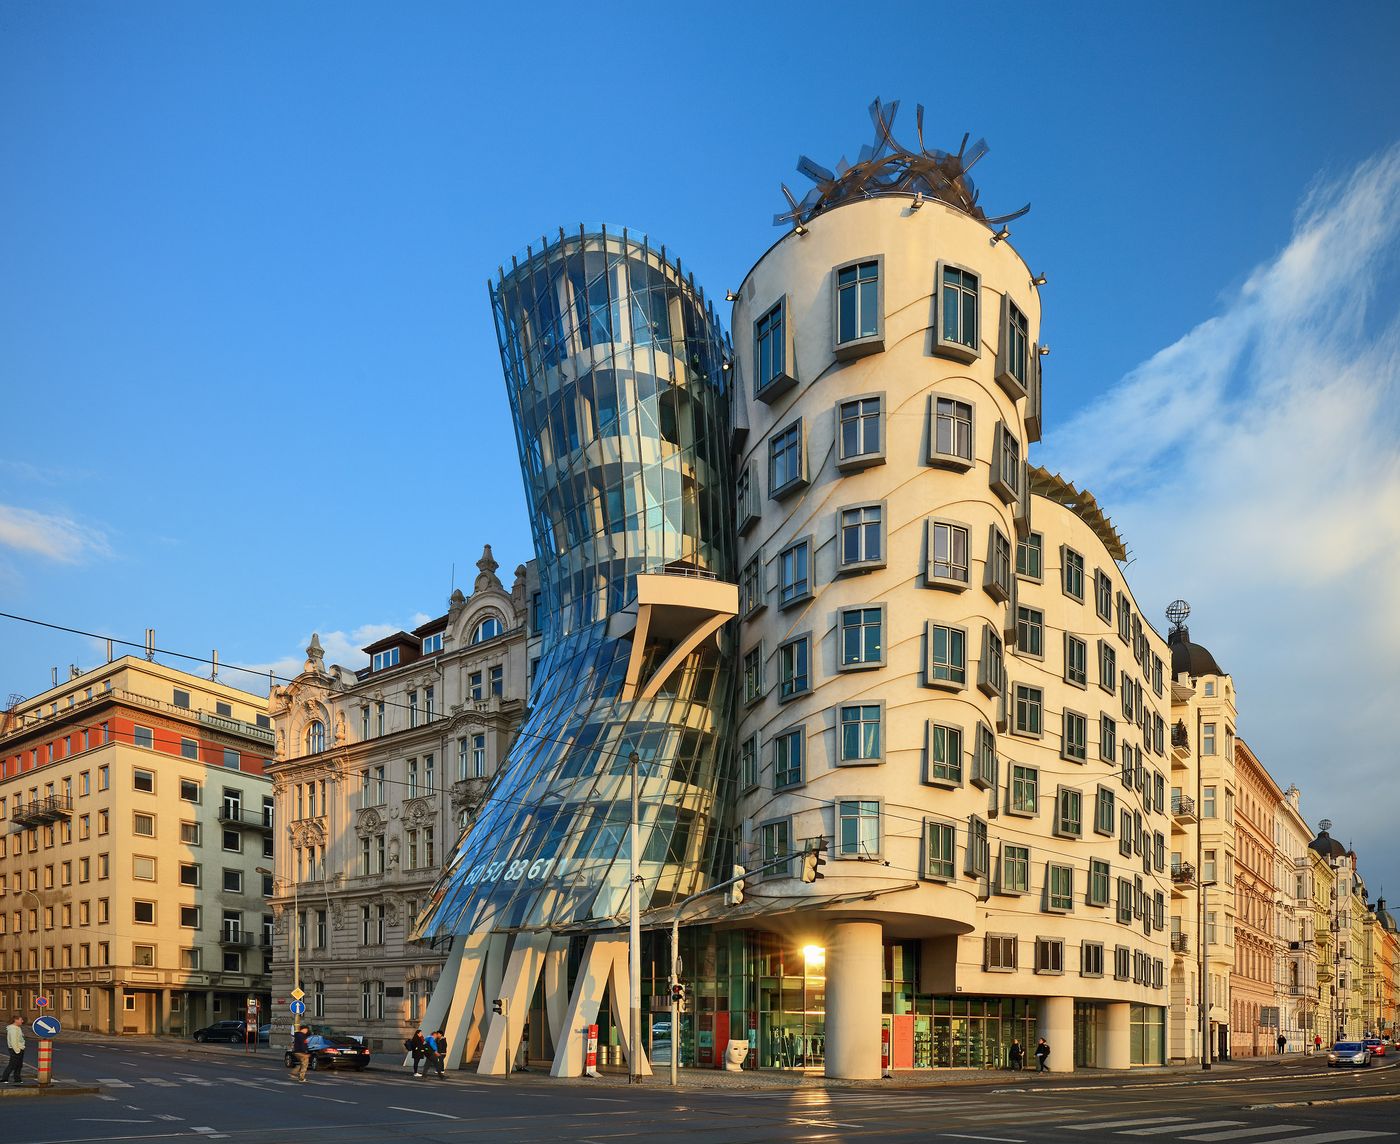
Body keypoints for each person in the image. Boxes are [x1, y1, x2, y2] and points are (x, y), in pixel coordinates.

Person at [2, 1016, 24, 1084]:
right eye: (21, 1020)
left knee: (19, 1065)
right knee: (12, 1065)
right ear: (16, 1020)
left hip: (20, 1048)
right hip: (15, 1049)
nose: (22, 1021)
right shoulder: (13, 1029)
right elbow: (13, 1041)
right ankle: (4, 1079)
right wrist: (17, 1050)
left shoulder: (18, 1028)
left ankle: (17, 1079)